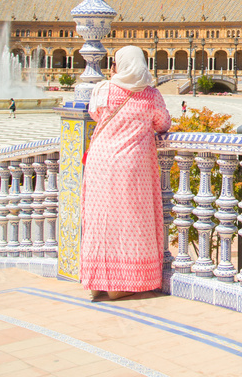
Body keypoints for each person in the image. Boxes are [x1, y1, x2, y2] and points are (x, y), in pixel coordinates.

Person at [81, 45, 171, 302]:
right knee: (130, 222)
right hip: (131, 165)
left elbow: (94, 114)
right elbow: (163, 123)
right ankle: (122, 284)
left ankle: (97, 281)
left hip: (100, 162)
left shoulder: (103, 90)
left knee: (99, 220)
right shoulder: (150, 95)